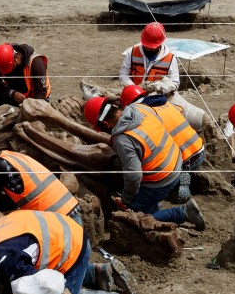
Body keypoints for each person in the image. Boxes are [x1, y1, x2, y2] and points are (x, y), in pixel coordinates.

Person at [0, 143, 124, 294]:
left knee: (45, 270)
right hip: (68, 207)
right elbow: (1, 177)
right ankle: (98, 273)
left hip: (59, 218)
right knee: (66, 261)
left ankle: (89, 278)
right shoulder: (5, 156)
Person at [83, 95, 205, 229]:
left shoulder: (123, 139)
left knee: (135, 218)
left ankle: (183, 213)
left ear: (105, 124)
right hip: (177, 161)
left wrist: (126, 198)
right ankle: (154, 203)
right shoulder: (140, 108)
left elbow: (134, 175)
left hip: (162, 178)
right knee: (145, 200)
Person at [120, 84, 204, 201]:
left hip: (184, 159)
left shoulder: (145, 115)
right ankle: (186, 177)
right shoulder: (165, 103)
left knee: (162, 177)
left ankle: (180, 186)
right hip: (199, 149)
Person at [118, 21, 204, 130]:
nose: (149, 48)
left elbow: (175, 83)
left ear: (160, 43)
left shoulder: (170, 58)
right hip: (134, 98)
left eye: (152, 47)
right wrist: (133, 87)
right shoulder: (132, 52)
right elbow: (123, 74)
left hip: (158, 100)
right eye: (146, 46)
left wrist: (160, 88)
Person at [0, 43, 50, 109]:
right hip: (16, 95)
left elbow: (41, 93)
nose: (6, 71)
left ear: (17, 58)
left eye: (9, 67)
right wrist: (13, 93)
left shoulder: (36, 63)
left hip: (36, 97)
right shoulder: (1, 61)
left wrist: (26, 104)